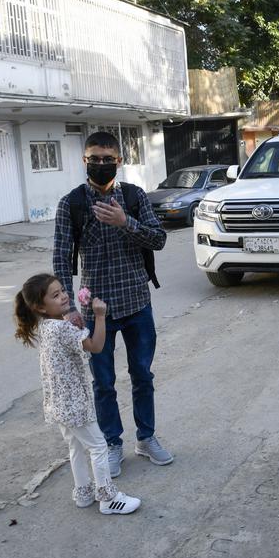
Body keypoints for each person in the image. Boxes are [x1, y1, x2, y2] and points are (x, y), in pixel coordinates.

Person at [53, 132, 172, 478]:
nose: (101, 164)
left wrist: (126, 222)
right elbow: (61, 259)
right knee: (102, 383)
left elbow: (160, 239)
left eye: (108, 158)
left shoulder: (134, 197)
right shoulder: (71, 204)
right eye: (95, 158)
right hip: (95, 313)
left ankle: (146, 438)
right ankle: (113, 443)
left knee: (142, 376)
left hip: (137, 303)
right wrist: (68, 309)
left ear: (119, 161)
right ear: (84, 161)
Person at [14, 273, 141, 515]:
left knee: (75, 447)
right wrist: (100, 316)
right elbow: (96, 346)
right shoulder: (62, 328)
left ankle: (83, 493)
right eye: (56, 295)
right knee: (99, 446)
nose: (64, 296)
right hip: (75, 403)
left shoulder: (45, 326)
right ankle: (108, 498)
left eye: (62, 291)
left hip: (58, 404)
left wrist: (72, 319)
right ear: (40, 306)